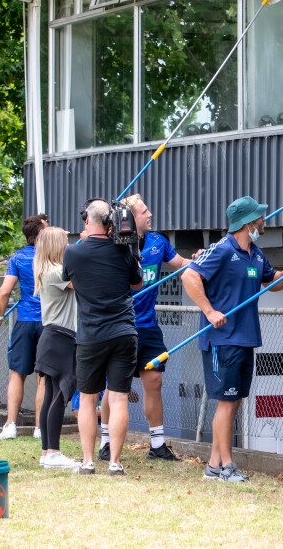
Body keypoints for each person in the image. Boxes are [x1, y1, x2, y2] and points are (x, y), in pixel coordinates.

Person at [181, 196, 283, 483]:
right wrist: (210, 311)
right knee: (226, 402)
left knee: (234, 402)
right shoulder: (221, 249)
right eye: (260, 216)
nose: (264, 220)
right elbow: (189, 276)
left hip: (245, 338)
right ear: (248, 222)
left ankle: (213, 466)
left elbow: (270, 282)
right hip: (222, 340)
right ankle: (227, 467)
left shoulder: (256, 254)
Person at [96, 195, 197, 462]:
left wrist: (201, 258)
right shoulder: (114, 244)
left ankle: (157, 444)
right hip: (120, 325)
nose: (150, 214)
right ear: (130, 218)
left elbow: (181, 264)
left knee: (154, 380)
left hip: (148, 326)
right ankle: (106, 442)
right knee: (114, 387)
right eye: (144, 212)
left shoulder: (158, 242)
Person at [62, 198, 143, 475]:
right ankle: (115, 463)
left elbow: (67, 278)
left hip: (90, 335)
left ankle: (87, 462)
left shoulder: (73, 253)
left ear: (87, 220)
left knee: (87, 398)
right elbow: (137, 283)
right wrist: (132, 248)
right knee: (118, 398)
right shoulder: (123, 252)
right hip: (123, 332)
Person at [0, 213, 48, 440]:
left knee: (17, 374)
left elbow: (4, 291)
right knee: (44, 376)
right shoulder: (54, 255)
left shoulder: (18, 257)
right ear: (41, 232)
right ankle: (40, 429)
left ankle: (10, 425)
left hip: (24, 321)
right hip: (48, 322)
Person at [31, 226, 80, 469]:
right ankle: (53, 453)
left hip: (53, 337)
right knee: (60, 394)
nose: (68, 245)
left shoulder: (47, 271)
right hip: (60, 338)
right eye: (65, 241)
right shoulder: (56, 272)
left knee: (52, 395)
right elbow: (83, 279)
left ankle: (46, 452)